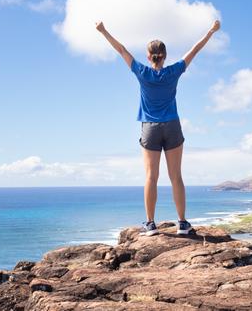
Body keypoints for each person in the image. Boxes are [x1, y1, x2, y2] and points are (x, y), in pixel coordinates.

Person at [95, 20, 221, 236]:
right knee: (176, 177)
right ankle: (182, 223)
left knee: (151, 177)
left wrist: (103, 31)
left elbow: (121, 50)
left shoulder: (142, 72)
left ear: (148, 56)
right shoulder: (174, 72)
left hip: (150, 128)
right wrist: (211, 31)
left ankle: (150, 224)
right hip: (172, 125)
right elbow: (195, 49)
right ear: (165, 56)